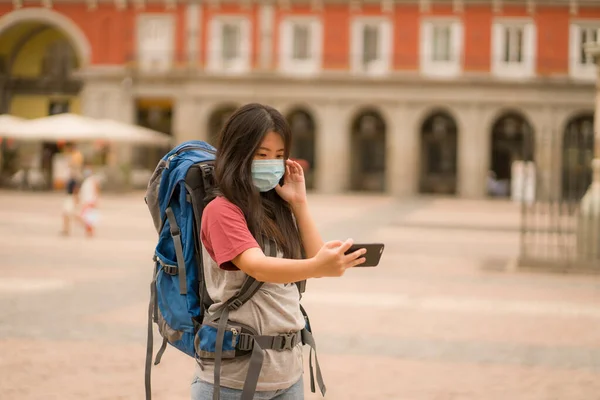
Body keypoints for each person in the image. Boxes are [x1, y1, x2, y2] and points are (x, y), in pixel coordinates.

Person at [191, 103, 366, 400]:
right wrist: (319, 266)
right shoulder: (221, 210)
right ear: (238, 154)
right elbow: (256, 265)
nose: (272, 163)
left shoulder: (276, 208)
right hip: (233, 381)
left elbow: (313, 256)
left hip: (287, 377)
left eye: (279, 155)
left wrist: (299, 203)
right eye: (261, 155)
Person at [60, 142, 84, 236]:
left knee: (72, 215)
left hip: (71, 197)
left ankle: (85, 225)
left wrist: (76, 198)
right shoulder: (72, 177)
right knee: (67, 214)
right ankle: (66, 230)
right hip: (69, 197)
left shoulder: (75, 177)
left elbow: (76, 188)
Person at [78, 165, 101, 237]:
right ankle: (89, 231)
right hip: (86, 201)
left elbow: (96, 190)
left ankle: (90, 231)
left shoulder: (92, 180)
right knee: (87, 217)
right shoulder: (86, 180)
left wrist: (95, 200)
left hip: (90, 201)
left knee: (86, 217)